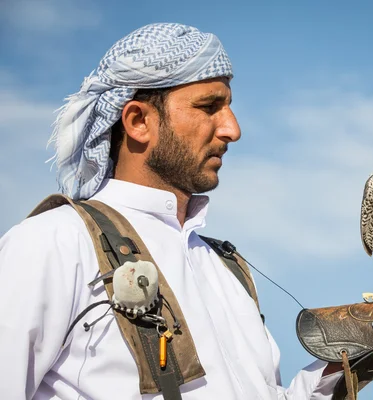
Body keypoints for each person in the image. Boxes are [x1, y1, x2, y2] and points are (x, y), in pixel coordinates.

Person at [0, 22, 343, 399]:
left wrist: (355, 357)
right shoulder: (54, 242)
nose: (232, 128)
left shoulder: (227, 268)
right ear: (138, 122)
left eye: (228, 107)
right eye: (209, 107)